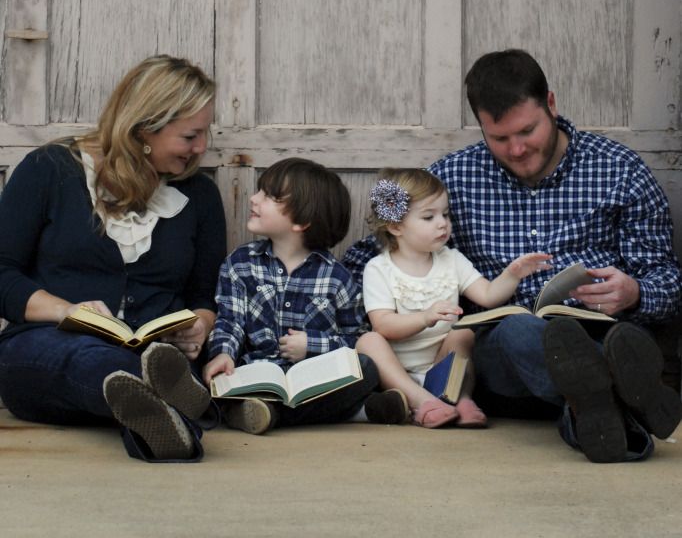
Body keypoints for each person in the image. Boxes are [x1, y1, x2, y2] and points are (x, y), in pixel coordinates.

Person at [344, 49, 682, 462]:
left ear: (551, 105)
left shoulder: (620, 169)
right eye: (499, 138)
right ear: (480, 126)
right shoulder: (452, 176)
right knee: (519, 332)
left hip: (605, 332)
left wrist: (634, 293)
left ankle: (594, 412)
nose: (517, 149)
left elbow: (667, 279)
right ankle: (633, 396)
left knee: (617, 344)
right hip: (505, 355)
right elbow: (374, 250)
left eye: (527, 131)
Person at [0, 54, 226, 462]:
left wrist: (200, 325)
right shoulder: (49, 170)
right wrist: (66, 310)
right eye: (190, 136)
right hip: (46, 348)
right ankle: (175, 405)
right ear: (144, 129)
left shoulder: (199, 196)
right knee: (90, 358)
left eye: (205, 132)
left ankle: (159, 423)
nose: (202, 147)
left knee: (160, 364)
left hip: (157, 352)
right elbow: (2, 272)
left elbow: (205, 293)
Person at [203, 157, 408, 433]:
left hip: (315, 382)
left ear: (301, 221)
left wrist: (312, 345)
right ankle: (360, 411)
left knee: (366, 368)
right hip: (257, 376)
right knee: (224, 382)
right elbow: (230, 321)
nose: (253, 199)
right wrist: (222, 354)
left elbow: (355, 339)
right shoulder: (239, 264)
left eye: (269, 196)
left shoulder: (337, 278)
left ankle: (266, 416)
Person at [356, 170, 551, 427]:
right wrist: (425, 317)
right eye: (429, 217)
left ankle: (461, 397)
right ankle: (421, 401)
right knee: (369, 341)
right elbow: (384, 325)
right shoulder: (379, 268)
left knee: (465, 332)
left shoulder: (452, 260)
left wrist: (512, 275)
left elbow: (488, 295)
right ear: (395, 227)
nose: (442, 223)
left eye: (445, 214)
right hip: (397, 373)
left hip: (442, 365)